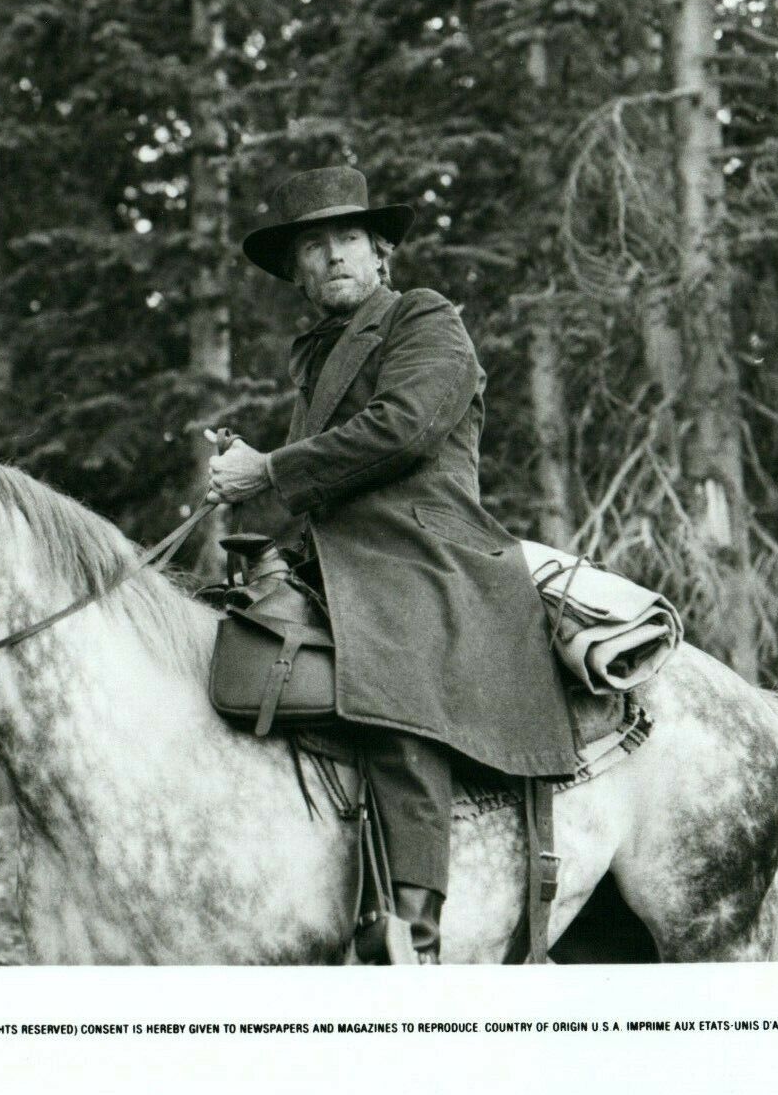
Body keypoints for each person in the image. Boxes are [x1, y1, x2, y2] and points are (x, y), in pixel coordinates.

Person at [206, 166, 582, 963]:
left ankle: (410, 930)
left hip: (428, 547)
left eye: (347, 238)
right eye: (314, 245)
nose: (334, 256)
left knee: (391, 685)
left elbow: (404, 428)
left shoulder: (425, 318)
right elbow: (328, 477)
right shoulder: (315, 353)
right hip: (340, 555)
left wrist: (268, 469)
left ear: (380, 253)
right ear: (299, 272)